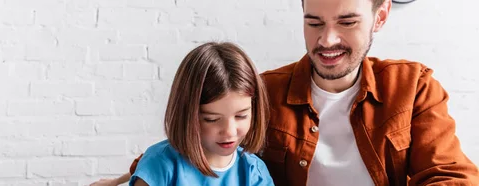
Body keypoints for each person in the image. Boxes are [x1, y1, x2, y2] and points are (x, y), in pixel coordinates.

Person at [92, 0, 479, 185]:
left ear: (380, 16)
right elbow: (191, 148)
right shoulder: (265, 92)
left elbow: (451, 177)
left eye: (346, 22)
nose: (327, 39)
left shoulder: (413, 88)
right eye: (313, 22)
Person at [95, 42, 274, 186]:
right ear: (187, 114)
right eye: (211, 119)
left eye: (241, 116)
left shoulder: (253, 172)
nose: (229, 131)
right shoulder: (160, 165)